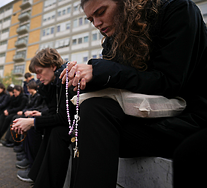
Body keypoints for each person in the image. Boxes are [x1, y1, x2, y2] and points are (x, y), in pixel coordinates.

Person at [55, 0, 207, 187]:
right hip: (140, 120)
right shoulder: (113, 39)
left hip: (185, 121)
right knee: (77, 120)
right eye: (90, 19)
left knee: (94, 113)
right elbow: (119, 81)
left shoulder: (178, 9)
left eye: (101, 12)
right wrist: (77, 76)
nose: (96, 23)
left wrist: (101, 71)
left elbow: (170, 82)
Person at [11, 48, 75, 187]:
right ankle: (36, 174)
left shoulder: (67, 79)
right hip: (66, 124)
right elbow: (54, 112)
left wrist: (33, 121)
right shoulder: (53, 84)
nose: (38, 77)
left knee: (55, 131)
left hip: (77, 127)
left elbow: (65, 118)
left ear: (53, 66)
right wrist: (40, 115)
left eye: (39, 72)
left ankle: (39, 177)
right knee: (47, 128)